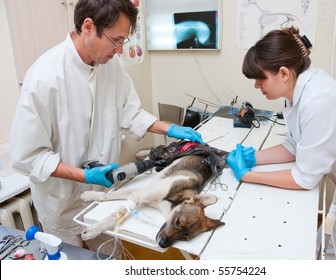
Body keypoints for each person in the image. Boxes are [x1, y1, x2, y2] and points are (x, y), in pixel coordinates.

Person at [9, 0, 203, 258]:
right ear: (88, 27)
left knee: (111, 255)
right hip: (60, 200)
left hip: (103, 193)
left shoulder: (110, 66)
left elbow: (130, 112)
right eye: (116, 40)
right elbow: (27, 156)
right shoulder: (44, 77)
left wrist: (170, 127)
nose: (120, 50)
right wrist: (85, 176)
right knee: (70, 261)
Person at [226, 27, 336, 260]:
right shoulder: (299, 92)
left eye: (260, 78)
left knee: (330, 255)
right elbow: (294, 146)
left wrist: (247, 175)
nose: (256, 86)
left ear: (283, 73)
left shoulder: (319, 100)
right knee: (321, 245)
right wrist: (254, 157)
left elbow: (305, 178)